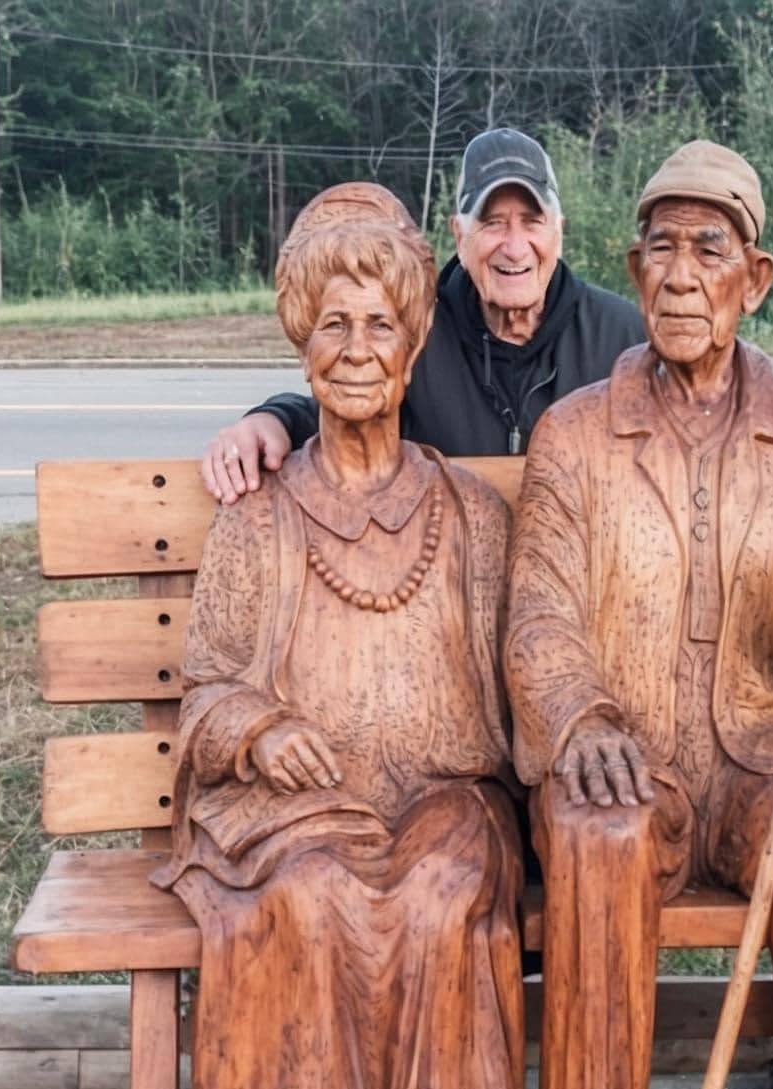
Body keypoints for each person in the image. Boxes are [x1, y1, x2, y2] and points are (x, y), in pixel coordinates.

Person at [504, 140, 773, 1089]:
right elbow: (538, 615)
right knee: (599, 840)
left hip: (763, 755)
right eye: (661, 249)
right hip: (630, 754)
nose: (682, 277)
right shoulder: (576, 431)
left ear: (753, 280)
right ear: (635, 269)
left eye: (709, 250)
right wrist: (583, 717)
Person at [153, 183, 525, 1089]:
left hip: (448, 803)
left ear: (411, 346)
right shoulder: (259, 518)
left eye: (379, 325)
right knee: (305, 901)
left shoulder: (470, 516)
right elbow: (204, 692)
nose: (357, 350)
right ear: (301, 343)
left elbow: (527, 678)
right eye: (333, 326)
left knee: (443, 894)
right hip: (299, 822)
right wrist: (259, 729)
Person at [201, 128, 773, 502]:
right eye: (493, 221)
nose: (513, 245)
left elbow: (716, 391)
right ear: (457, 234)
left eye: (531, 221)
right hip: (452, 615)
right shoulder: (413, 334)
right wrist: (273, 418)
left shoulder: (625, 334)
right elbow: (349, 392)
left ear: (560, 231)